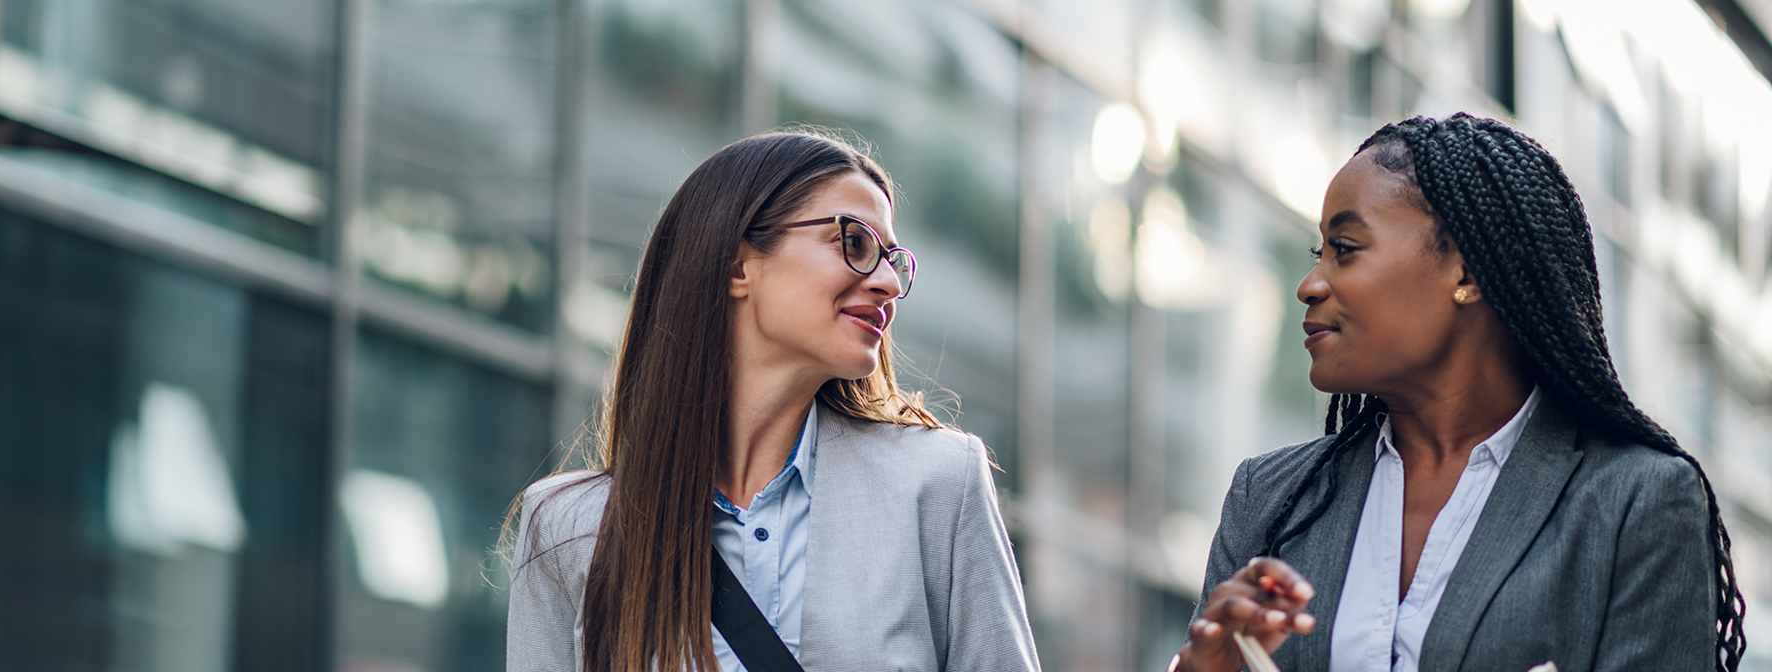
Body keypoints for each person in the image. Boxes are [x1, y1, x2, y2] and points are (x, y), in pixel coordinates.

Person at [1171, 114, 1746, 672]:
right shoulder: (1270, 497)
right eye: (1317, 254)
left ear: (1466, 274)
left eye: (1344, 248)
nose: (1310, 284)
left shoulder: (1634, 504)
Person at [504, 131, 1040, 672]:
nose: (888, 284)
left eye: (893, 260)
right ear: (739, 266)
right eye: (854, 244)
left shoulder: (937, 483)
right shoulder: (567, 529)